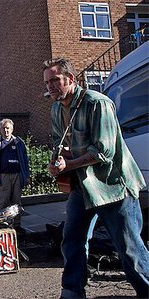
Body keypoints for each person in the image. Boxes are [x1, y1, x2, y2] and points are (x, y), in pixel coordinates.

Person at [43, 57, 149, 299]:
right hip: (83, 187)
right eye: (47, 82)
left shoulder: (97, 103)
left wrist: (69, 163)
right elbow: (63, 146)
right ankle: (72, 292)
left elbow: (104, 151)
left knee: (129, 249)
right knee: (71, 241)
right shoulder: (57, 108)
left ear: (70, 79)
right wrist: (56, 163)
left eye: (55, 80)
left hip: (113, 186)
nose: (50, 86)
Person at [0, 118, 29, 229]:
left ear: (12, 129)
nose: (6, 131)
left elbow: (25, 160)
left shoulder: (19, 143)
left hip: (17, 175)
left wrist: (27, 176)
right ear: (0, 129)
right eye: (3, 128)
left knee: (16, 202)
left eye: (8, 128)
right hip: (2, 176)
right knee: (3, 201)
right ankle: (3, 226)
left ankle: (17, 226)